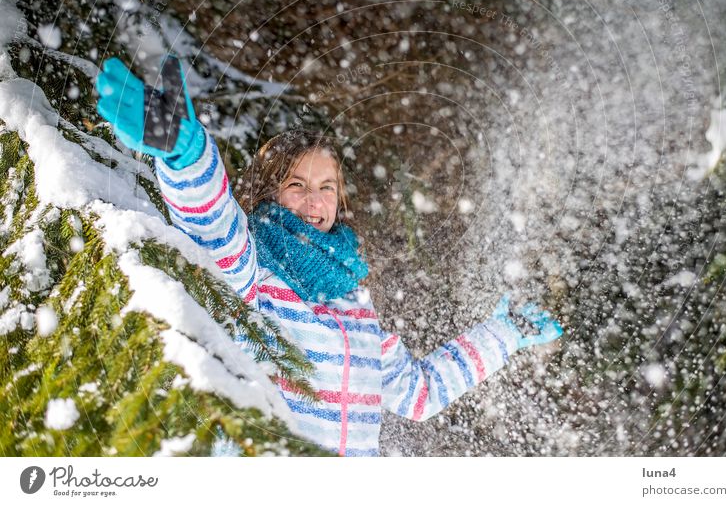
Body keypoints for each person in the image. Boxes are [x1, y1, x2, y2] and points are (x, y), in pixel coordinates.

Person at [95, 55, 564, 457]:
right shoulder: (252, 272)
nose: (313, 201)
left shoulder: (355, 307)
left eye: (326, 188)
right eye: (297, 186)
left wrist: (505, 334)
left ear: (341, 200)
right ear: (269, 192)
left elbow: (419, 393)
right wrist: (186, 155)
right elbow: (212, 224)